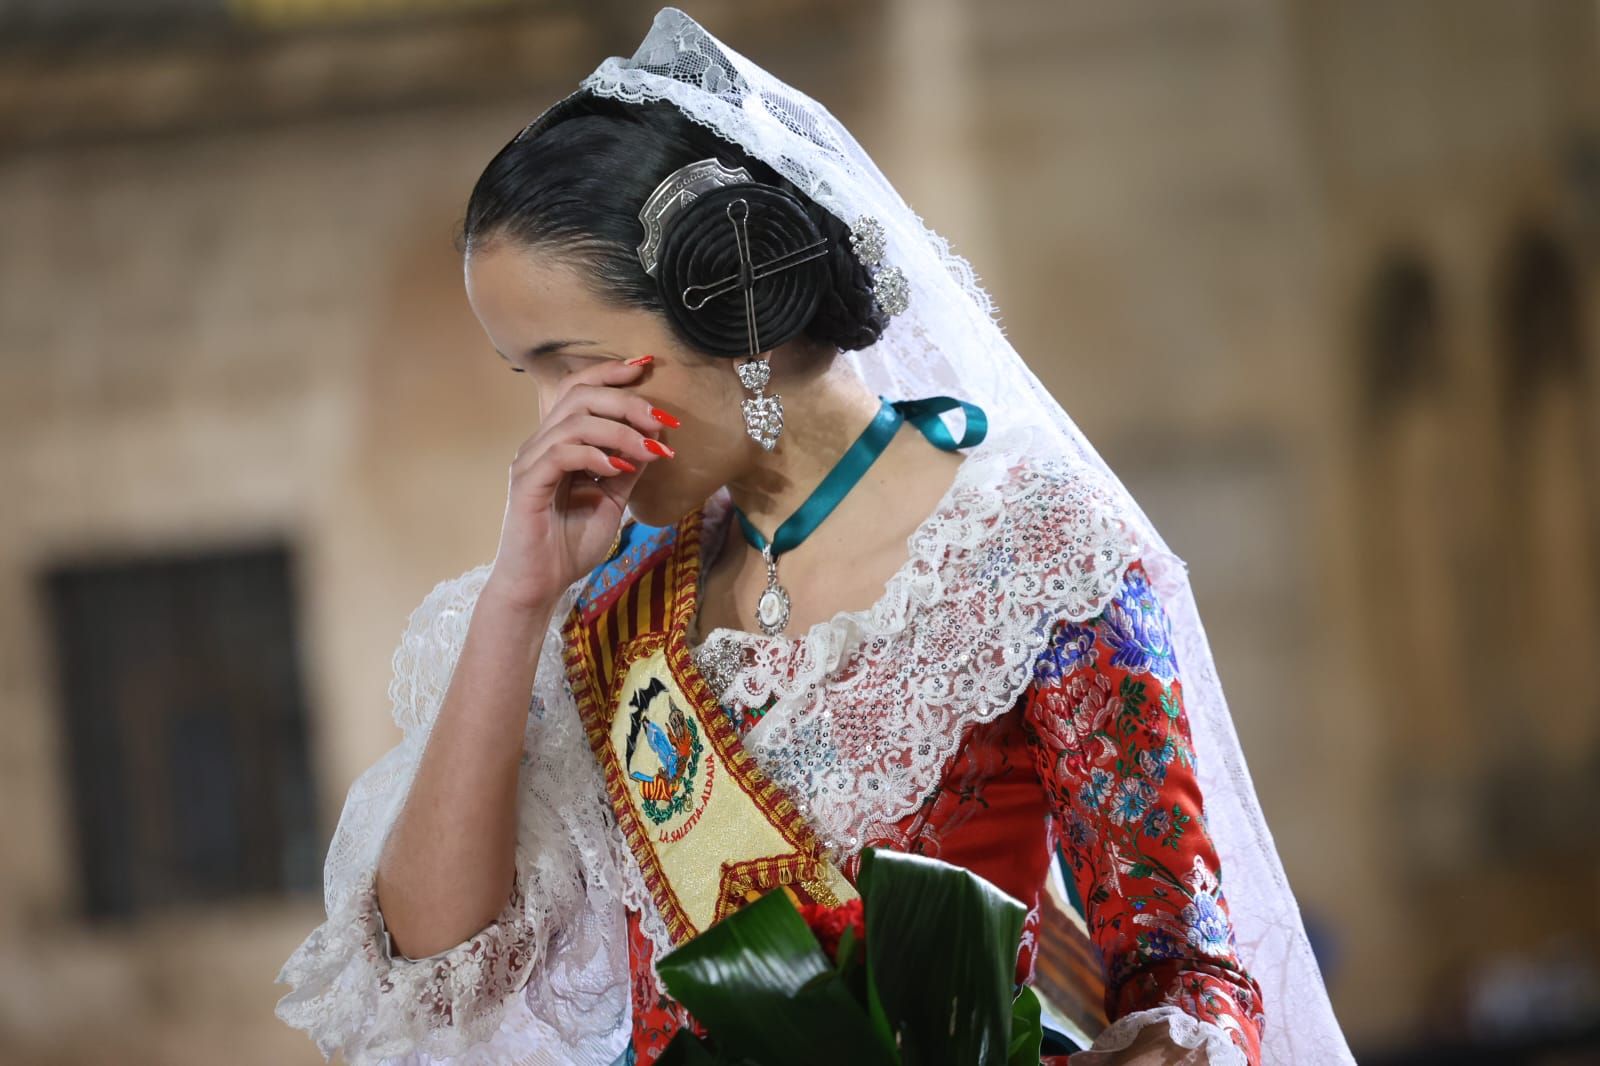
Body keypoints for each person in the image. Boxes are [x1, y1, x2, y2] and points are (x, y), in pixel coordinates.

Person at [274, 8, 1357, 1065]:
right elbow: (433, 966)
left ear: (728, 302)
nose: (556, 418)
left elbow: (1184, 970)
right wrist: (518, 600)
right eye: (534, 377)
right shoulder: (613, 610)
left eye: (570, 359)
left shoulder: (1028, 547)